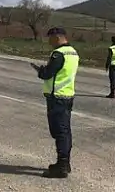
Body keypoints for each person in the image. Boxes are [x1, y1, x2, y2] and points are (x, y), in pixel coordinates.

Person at [30, 27, 79, 178]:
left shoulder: (58, 54)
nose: (49, 42)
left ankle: (61, 166)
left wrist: (40, 70)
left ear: (57, 37)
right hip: (67, 95)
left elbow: (47, 74)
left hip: (56, 97)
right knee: (66, 131)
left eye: (50, 38)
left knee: (59, 132)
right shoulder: (73, 52)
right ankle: (66, 163)